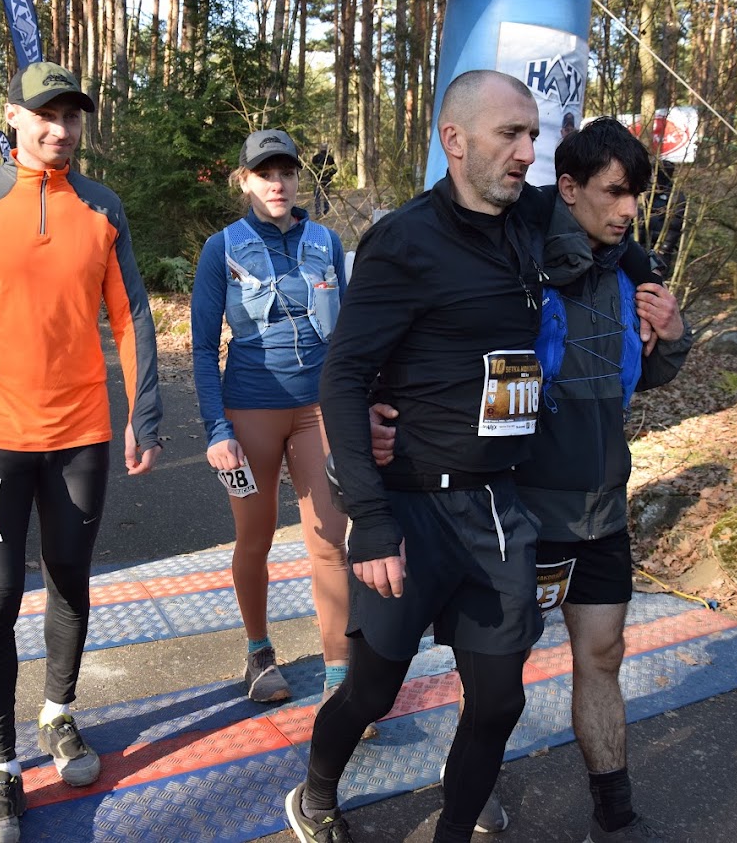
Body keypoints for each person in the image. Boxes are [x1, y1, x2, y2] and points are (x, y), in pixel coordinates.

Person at [370, 119, 691, 841]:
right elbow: (436, 339)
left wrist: (673, 335)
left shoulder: (629, 270)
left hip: (602, 511)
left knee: (602, 656)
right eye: (614, 193)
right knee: (495, 673)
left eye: (636, 196)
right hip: (523, 510)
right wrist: (373, 404)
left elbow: (641, 374)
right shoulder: (517, 253)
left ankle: (615, 814)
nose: (628, 210)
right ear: (568, 188)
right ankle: (471, 789)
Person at [284, 70, 552, 843]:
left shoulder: (532, 223)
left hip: (496, 506)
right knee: (372, 690)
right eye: (510, 134)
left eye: (533, 135)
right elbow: (343, 377)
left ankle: (452, 830)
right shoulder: (404, 240)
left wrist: (653, 292)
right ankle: (316, 794)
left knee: (499, 699)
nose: (526, 151)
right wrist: (369, 518)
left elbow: (608, 211)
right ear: (454, 139)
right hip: (409, 510)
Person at [0, 60, 164, 843]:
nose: (61, 128)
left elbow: (131, 316)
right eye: (46, 114)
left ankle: (58, 712)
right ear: (13, 116)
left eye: (72, 115)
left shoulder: (102, 206)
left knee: (69, 578)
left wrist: (143, 411)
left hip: (79, 440)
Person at [191, 129, 351, 706]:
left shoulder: (327, 242)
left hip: (318, 412)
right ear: (244, 181)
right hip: (250, 412)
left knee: (330, 540)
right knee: (254, 538)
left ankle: (340, 675)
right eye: (264, 173)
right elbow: (203, 349)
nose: (277, 183)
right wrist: (218, 430)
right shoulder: (222, 249)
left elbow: (349, 336)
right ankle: (259, 652)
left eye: (286, 172)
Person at [638, 161, 687, 279]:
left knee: (655, 279)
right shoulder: (645, 193)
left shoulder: (675, 196)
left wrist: (664, 248)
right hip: (640, 243)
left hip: (660, 248)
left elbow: (675, 226)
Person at [312, 144, 337, 216]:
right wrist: (330, 174)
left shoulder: (317, 158)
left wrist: (314, 176)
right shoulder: (329, 158)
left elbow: (312, 169)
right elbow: (334, 169)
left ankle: (319, 212)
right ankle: (325, 211)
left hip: (319, 179)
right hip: (324, 179)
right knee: (325, 195)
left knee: (318, 196)